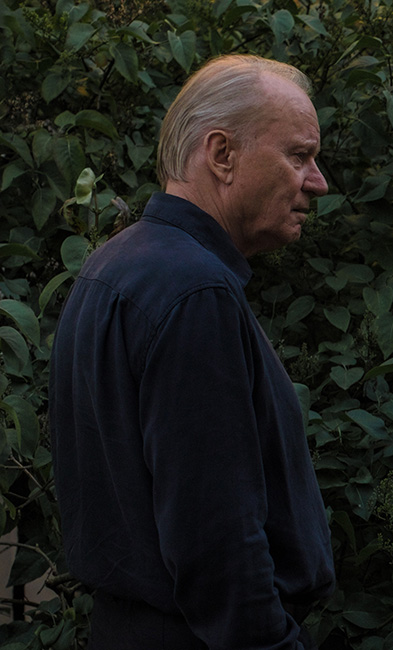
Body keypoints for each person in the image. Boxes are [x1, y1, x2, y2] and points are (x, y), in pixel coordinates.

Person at [49, 54, 335, 649]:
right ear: (222, 154)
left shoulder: (115, 264)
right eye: (299, 155)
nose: (318, 182)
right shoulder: (194, 291)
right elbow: (218, 543)